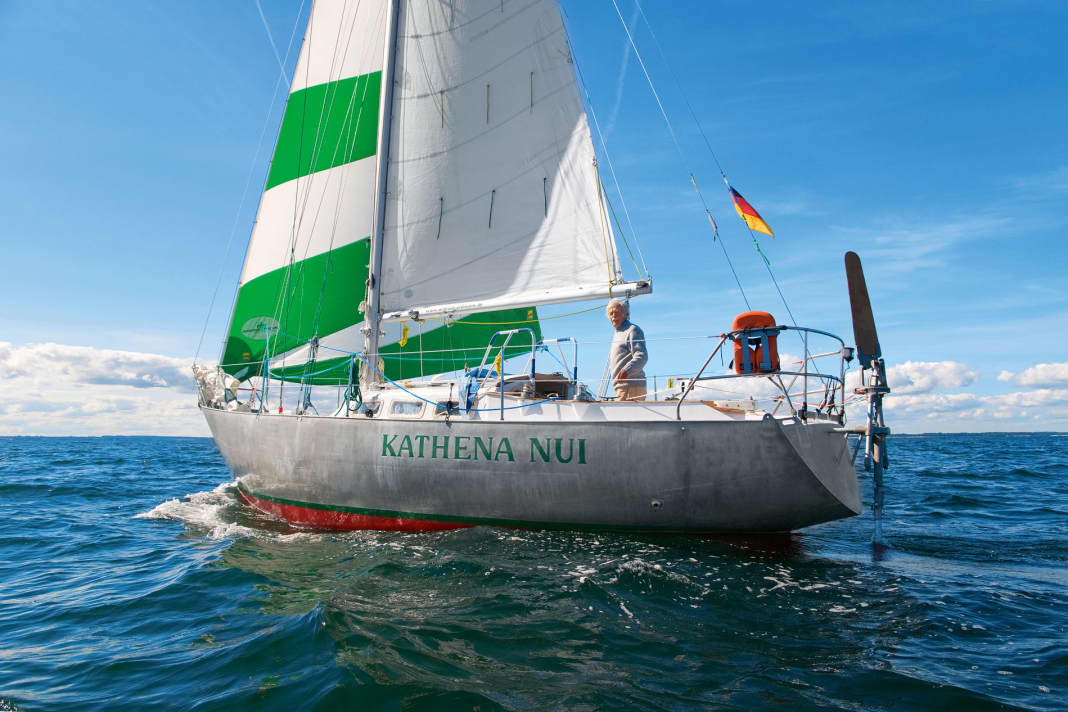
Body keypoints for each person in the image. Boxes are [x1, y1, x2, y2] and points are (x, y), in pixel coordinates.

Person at [606, 299, 648, 401]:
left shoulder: (632, 330)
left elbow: (642, 356)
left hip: (632, 386)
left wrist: (626, 370)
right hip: (622, 387)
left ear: (626, 314)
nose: (613, 316)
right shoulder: (618, 333)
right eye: (611, 313)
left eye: (616, 312)